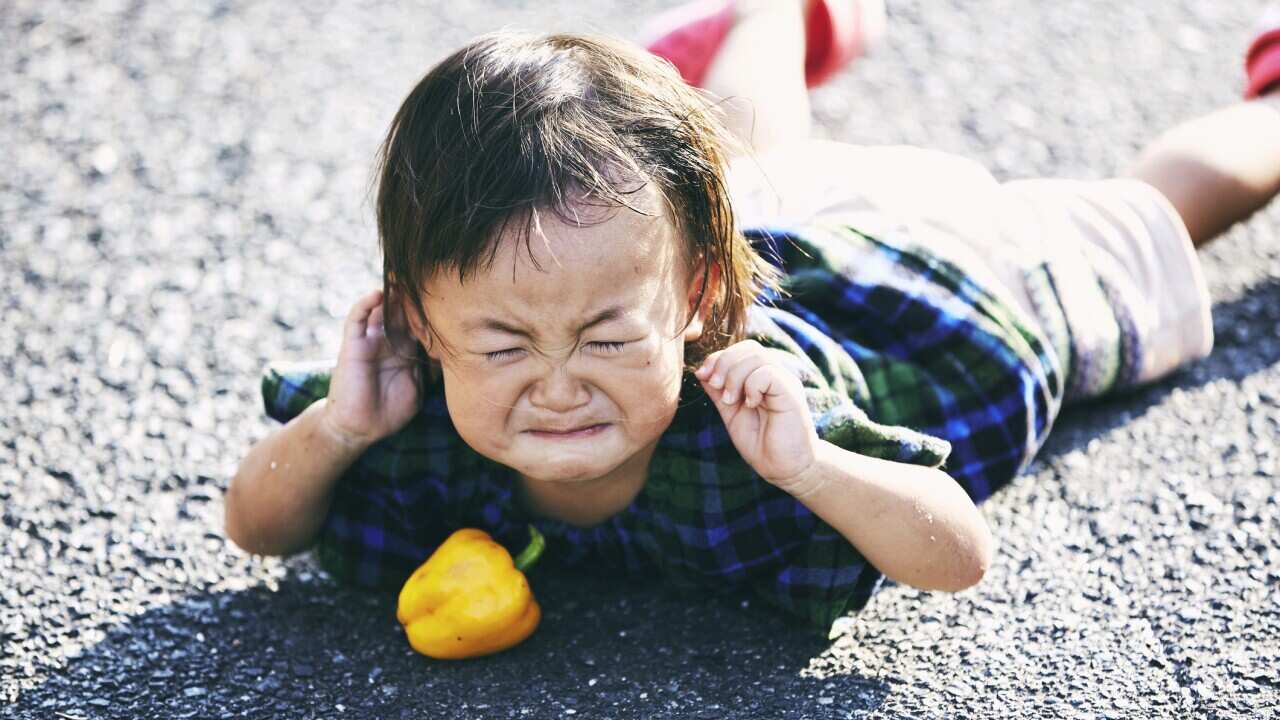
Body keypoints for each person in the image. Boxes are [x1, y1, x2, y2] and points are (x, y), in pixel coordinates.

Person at [223, 1, 1280, 633]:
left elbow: (958, 553)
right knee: (759, 173)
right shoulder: (414, 389)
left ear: (695, 304)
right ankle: (776, 13)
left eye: (603, 339)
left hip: (951, 283)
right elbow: (256, 529)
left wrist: (811, 467)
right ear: (419, 321)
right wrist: (340, 429)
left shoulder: (759, 411)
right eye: (501, 345)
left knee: (1151, 219)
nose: (555, 382)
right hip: (765, 227)